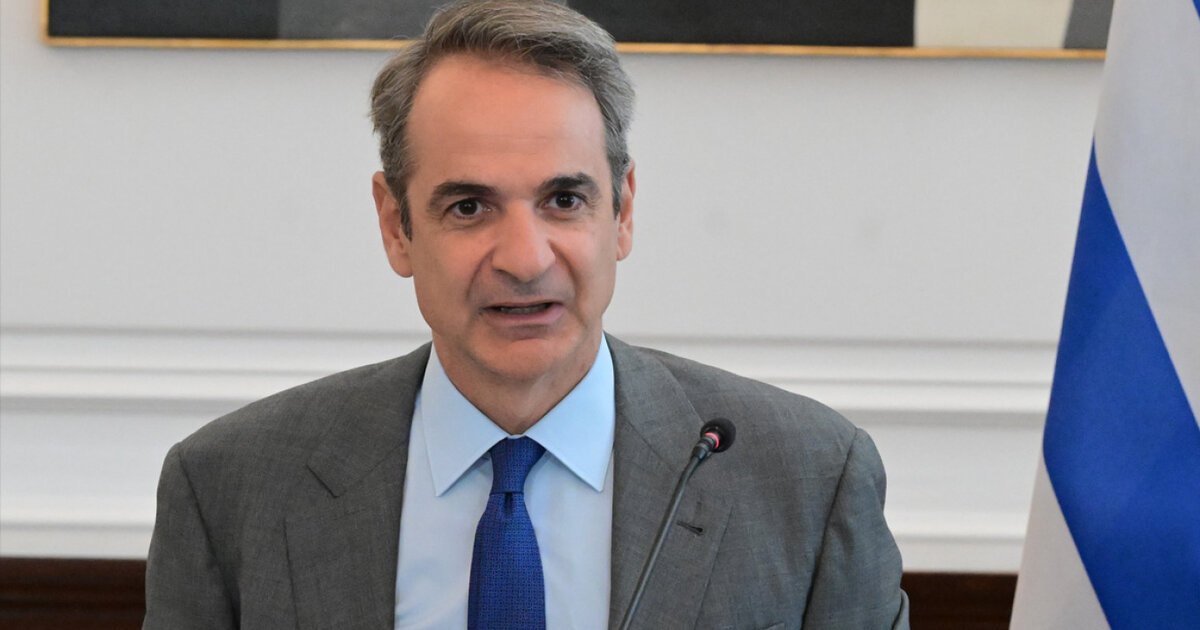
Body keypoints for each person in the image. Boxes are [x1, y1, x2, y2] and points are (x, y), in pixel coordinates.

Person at [142, 2, 909, 628]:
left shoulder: (809, 480)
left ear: (623, 213)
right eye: (469, 207)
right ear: (396, 225)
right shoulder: (230, 487)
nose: (524, 257)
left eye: (563, 200)